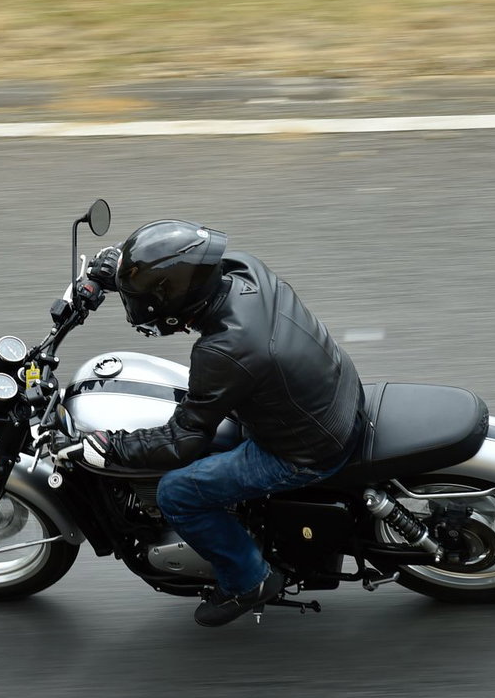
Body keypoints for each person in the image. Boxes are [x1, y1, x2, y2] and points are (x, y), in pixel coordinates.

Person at [61, 219, 365, 627]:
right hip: (328, 391)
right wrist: (118, 275)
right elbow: (181, 271)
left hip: (307, 448)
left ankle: (248, 580)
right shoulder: (243, 270)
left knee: (177, 492)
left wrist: (111, 448)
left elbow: (182, 441)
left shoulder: (223, 351)